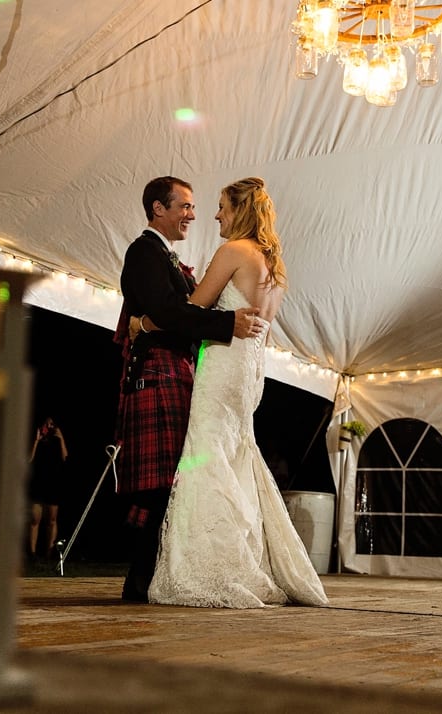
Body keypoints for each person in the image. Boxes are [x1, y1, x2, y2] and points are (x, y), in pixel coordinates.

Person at [133, 177, 327, 608]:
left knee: (206, 455)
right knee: (236, 453)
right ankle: (247, 555)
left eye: (221, 206)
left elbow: (191, 309)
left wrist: (143, 324)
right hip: (249, 372)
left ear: (240, 210)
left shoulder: (234, 251)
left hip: (222, 366)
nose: (215, 215)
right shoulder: (273, 266)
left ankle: (213, 564)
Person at [114, 175, 264, 602]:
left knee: (170, 481)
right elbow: (170, 312)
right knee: (158, 483)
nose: (193, 215)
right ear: (158, 209)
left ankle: (147, 576)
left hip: (174, 370)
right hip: (157, 371)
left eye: (195, 206)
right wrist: (225, 323)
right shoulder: (143, 251)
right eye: (184, 206)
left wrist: (145, 323)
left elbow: (171, 313)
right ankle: (140, 578)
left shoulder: (166, 256)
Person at [28, 416, 67, 558]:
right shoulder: (36, 440)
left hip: (53, 483)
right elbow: (29, 459)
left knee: (51, 519)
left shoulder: (57, 441)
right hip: (38, 482)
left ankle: (49, 552)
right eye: (47, 424)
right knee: (35, 518)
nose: (49, 427)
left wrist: (61, 438)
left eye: (52, 424)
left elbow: (65, 458)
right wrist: (36, 441)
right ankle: (32, 553)